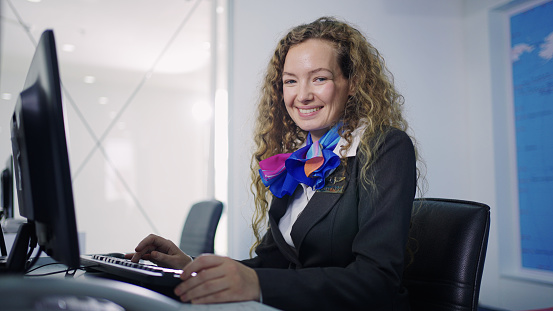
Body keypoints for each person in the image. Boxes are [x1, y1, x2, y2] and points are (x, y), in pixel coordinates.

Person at [128, 16, 421, 311]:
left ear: (353, 82)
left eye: (320, 78)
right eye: (290, 81)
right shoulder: (297, 162)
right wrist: (193, 267)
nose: (303, 95)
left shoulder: (384, 147)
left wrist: (258, 285)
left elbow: (377, 280)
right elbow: (273, 263)